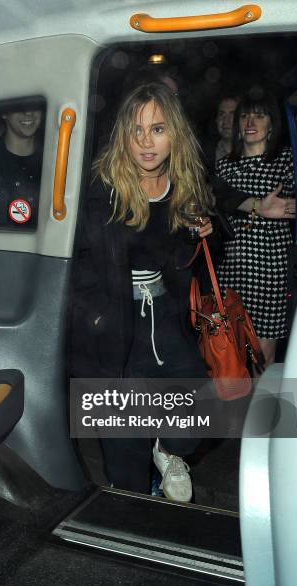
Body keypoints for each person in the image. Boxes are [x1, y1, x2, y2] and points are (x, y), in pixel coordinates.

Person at [70, 82, 217, 503]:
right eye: (136, 131)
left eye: (157, 129)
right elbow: (71, 262)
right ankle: (130, 511)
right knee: (123, 444)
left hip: (165, 315)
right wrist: (91, 315)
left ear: (176, 134)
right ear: (123, 137)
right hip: (109, 324)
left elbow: (191, 258)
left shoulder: (184, 184)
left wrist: (203, 233)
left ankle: (168, 450)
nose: (146, 142)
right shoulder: (101, 188)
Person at [215, 90, 295, 366]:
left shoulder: (285, 161)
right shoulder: (225, 167)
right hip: (231, 268)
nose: (251, 121)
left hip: (270, 267)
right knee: (232, 349)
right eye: (245, 115)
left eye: (259, 115)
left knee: (263, 352)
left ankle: (261, 407)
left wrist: (294, 207)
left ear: (272, 123)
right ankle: (239, 405)